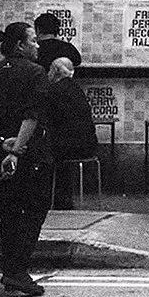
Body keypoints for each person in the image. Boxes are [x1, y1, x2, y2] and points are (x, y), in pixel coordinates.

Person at [0, 22, 54, 297]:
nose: (38, 45)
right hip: (30, 153)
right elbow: (31, 116)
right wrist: (17, 150)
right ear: (20, 45)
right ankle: (18, 271)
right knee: (35, 209)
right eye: (33, 41)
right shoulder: (35, 73)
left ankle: (10, 270)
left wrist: (0, 144)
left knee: (8, 213)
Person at [45, 58, 97, 210]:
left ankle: (50, 199)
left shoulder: (52, 91)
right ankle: (63, 199)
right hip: (88, 147)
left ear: (54, 72)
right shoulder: (77, 89)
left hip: (65, 149)